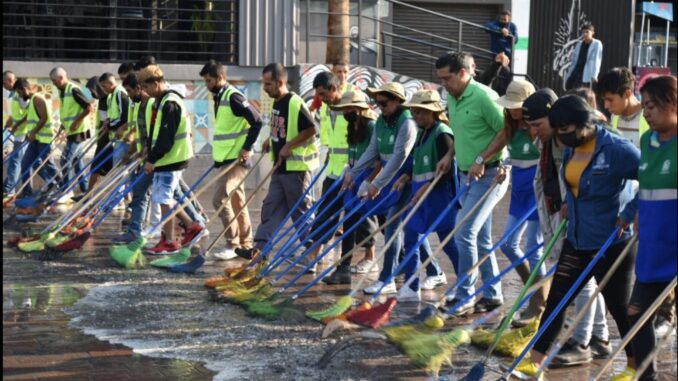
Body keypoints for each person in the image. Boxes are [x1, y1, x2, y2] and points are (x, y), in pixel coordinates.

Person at [515, 95, 639, 380]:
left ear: (585, 123)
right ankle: (534, 363)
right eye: (558, 131)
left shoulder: (617, 149)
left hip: (611, 242)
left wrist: (630, 210)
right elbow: (573, 180)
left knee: (619, 307)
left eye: (567, 130)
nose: (562, 136)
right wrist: (570, 201)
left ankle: (634, 366)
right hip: (577, 238)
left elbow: (649, 178)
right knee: (558, 298)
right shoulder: (570, 148)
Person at [522, 89, 613, 365]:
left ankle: (581, 342)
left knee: (580, 279)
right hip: (557, 215)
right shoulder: (548, 141)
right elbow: (545, 178)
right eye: (530, 127)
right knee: (585, 280)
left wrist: (574, 206)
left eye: (538, 125)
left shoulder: (576, 140)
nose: (534, 133)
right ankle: (600, 338)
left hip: (583, 220)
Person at [342, 82, 442, 295]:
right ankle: (435, 270)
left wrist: (377, 184)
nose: (381, 107)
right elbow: (372, 151)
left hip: (405, 177)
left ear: (397, 101)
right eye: (378, 103)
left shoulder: (407, 123)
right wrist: (354, 174)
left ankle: (387, 278)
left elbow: (399, 156)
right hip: (391, 177)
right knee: (406, 227)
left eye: (385, 103)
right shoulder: (381, 121)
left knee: (393, 225)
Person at [611, 75, 677, 381]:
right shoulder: (648, 143)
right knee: (637, 313)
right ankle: (646, 377)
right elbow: (646, 186)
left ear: (672, 103)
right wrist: (629, 212)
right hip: (653, 244)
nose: (646, 112)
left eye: (651, 106)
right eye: (645, 105)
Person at [435, 52, 509, 315]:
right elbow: (462, 133)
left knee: (464, 232)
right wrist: (449, 155)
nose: (444, 84)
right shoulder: (453, 99)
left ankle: (466, 295)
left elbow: (506, 130)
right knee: (481, 238)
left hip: (491, 174)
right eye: (441, 79)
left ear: (464, 73)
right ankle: (493, 293)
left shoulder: (483, 97)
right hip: (466, 174)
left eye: (448, 78)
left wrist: (481, 158)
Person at [235, 63, 319, 261]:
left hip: (296, 169)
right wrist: (270, 140)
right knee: (270, 208)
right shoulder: (277, 101)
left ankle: (313, 251)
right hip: (280, 167)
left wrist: (289, 146)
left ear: (280, 82)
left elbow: (311, 129)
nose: (265, 88)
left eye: (268, 84)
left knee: (300, 214)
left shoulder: (294, 102)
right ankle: (259, 251)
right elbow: (281, 128)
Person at [392, 89, 460, 301]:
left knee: (448, 241)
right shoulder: (422, 133)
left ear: (433, 112)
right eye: (415, 112)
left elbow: (447, 171)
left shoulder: (443, 133)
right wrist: (405, 177)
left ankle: (465, 281)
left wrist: (427, 186)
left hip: (439, 195)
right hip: (419, 193)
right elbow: (415, 161)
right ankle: (412, 287)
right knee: (411, 234)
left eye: (421, 112)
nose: (417, 116)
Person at [493, 80, 549, 324]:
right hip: (519, 192)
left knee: (533, 248)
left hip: (537, 192)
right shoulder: (510, 126)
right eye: (511, 106)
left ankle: (539, 304)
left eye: (517, 106)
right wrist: (502, 166)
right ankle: (534, 291)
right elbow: (503, 150)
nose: (513, 110)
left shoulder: (538, 129)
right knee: (507, 244)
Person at [137, 64, 205, 254]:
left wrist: (152, 159)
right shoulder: (161, 101)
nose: (145, 92)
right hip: (166, 158)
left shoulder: (170, 103)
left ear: (157, 83)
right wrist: (149, 152)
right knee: (163, 198)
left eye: (147, 87)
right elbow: (157, 133)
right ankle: (171, 237)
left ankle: (182, 231)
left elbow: (166, 138)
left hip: (172, 158)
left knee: (164, 198)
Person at [200, 59, 262, 260]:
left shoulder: (233, 97)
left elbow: (257, 121)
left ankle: (232, 243)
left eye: (209, 81)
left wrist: (246, 148)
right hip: (226, 158)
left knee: (220, 198)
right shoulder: (219, 97)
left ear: (220, 78)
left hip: (237, 159)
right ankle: (245, 243)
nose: (207, 85)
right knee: (237, 201)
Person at [322, 90, 380, 284]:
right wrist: (349, 171)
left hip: (374, 179)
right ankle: (343, 269)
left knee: (388, 222)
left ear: (359, 109)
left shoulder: (371, 126)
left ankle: (404, 261)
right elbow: (353, 154)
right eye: (344, 109)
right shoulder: (352, 126)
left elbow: (379, 157)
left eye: (349, 109)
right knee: (349, 220)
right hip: (355, 178)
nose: (346, 112)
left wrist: (370, 180)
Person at [111, 72, 156, 244]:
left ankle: (196, 221)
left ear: (139, 88)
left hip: (158, 157)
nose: (128, 95)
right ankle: (135, 229)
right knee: (143, 193)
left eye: (130, 91)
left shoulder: (152, 105)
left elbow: (155, 133)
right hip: (146, 156)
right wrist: (131, 152)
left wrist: (147, 151)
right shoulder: (139, 105)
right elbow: (140, 133)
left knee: (144, 193)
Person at [50, 67, 94, 196]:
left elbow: (88, 107)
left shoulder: (73, 89)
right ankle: (85, 189)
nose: (53, 83)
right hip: (71, 131)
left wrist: (76, 122)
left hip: (79, 131)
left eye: (54, 81)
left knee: (65, 160)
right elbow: (68, 110)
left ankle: (66, 191)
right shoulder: (62, 91)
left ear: (61, 78)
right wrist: (63, 125)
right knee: (77, 161)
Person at [15, 78, 61, 196]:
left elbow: (44, 118)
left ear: (25, 89)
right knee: (25, 163)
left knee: (49, 164)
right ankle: (27, 192)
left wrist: (34, 132)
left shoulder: (38, 99)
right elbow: (31, 118)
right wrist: (20, 126)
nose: (19, 96)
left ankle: (64, 185)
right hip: (35, 139)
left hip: (44, 139)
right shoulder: (32, 101)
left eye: (19, 93)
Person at [596, 67, 649, 147]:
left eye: (610, 100)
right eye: (604, 100)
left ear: (627, 94)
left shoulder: (649, 117)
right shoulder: (614, 117)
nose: (606, 106)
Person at [3, 71, 29, 199]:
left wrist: (17, 124)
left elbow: (28, 112)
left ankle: (9, 190)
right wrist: (11, 119)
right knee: (21, 161)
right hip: (19, 133)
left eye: (3, 83)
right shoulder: (14, 94)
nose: (3, 86)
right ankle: (10, 187)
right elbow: (18, 111)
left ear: (10, 80)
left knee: (15, 161)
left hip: (24, 133)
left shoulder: (20, 94)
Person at [98, 72, 130, 167]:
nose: (103, 89)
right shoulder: (111, 96)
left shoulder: (119, 93)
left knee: (119, 167)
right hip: (116, 137)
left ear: (111, 83)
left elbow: (125, 116)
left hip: (123, 137)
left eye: (104, 86)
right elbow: (114, 115)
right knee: (117, 166)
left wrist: (109, 125)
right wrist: (107, 121)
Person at [564, 23, 603, 90]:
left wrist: (595, 75)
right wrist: (570, 73)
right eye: (583, 32)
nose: (585, 34)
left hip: (585, 73)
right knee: (569, 87)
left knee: (580, 92)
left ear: (592, 33)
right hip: (576, 71)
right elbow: (574, 60)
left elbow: (597, 60)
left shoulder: (597, 44)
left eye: (587, 32)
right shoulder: (579, 44)